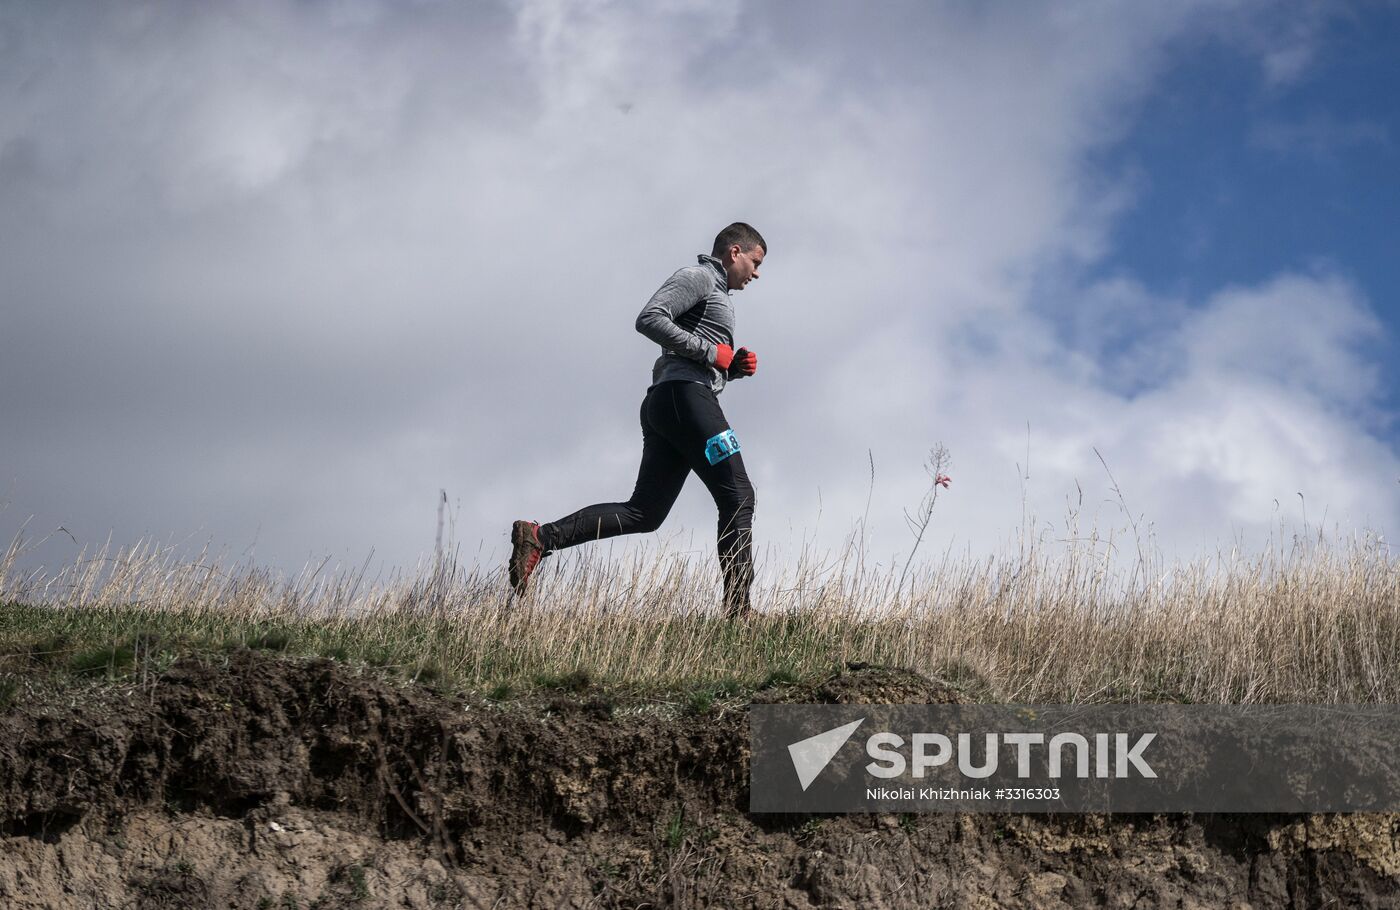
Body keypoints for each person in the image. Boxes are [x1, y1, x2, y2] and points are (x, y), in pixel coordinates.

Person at [508, 222, 767, 618]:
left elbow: (694, 351)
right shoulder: (698, 276)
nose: (756, 273)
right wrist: (712, 354)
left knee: (645, 513)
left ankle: (540, 538)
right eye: (755, 262)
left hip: (673, 403)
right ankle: (739, 612)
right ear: (735, 252)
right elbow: (649, 318)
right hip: (685, 399)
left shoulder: (718, 295)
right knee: (738, 495)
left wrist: (732, 367)